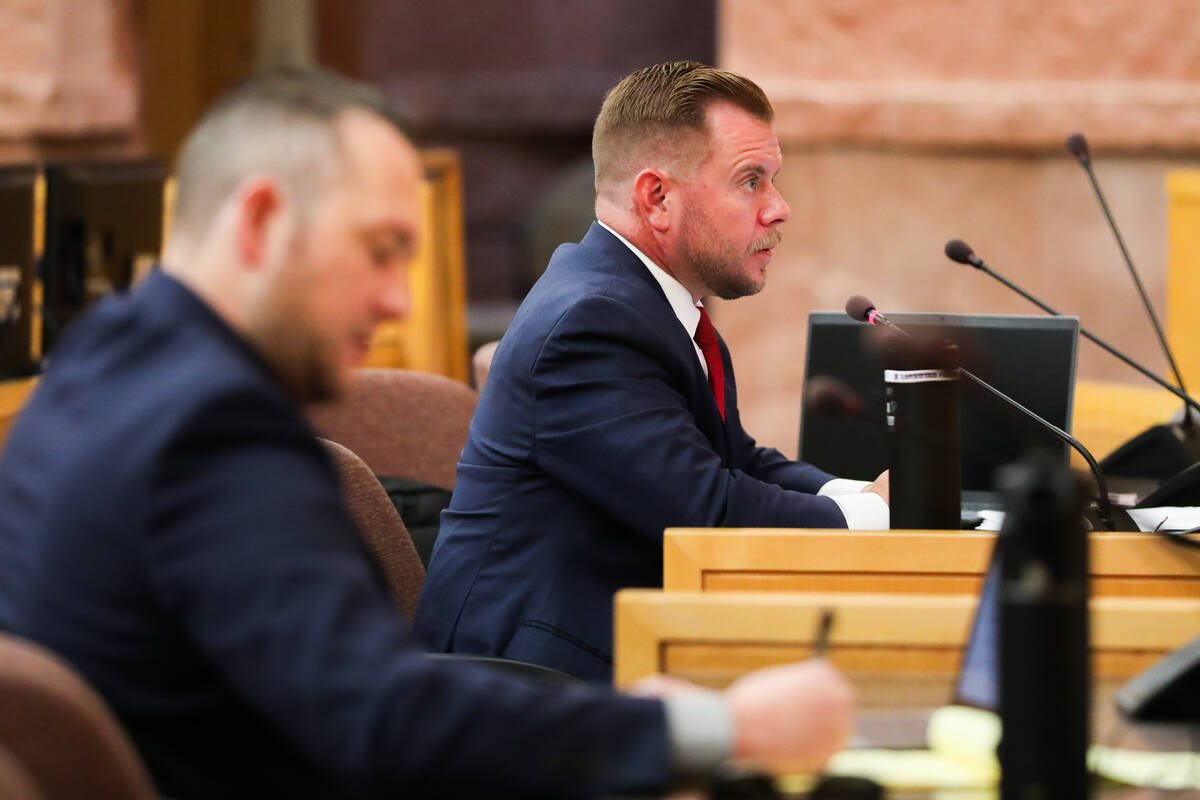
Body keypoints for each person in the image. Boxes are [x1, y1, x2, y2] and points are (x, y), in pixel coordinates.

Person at [0, 68, 854, 799]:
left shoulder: (96, 366)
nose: (399, 302)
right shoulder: (212, 432)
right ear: (260, 220)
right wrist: (711, 725)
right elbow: (386, 720)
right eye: (380, 250)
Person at [414, 61, 890, 682]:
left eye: (773, 180)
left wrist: (857, 494)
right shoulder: (590, 324)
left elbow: (735, 462)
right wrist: (874, 518)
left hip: (612, 651)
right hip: (524, 686)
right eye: (751, 181)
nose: (780, 209)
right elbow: (704, 509)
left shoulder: (638, 301)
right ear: (657, 197)